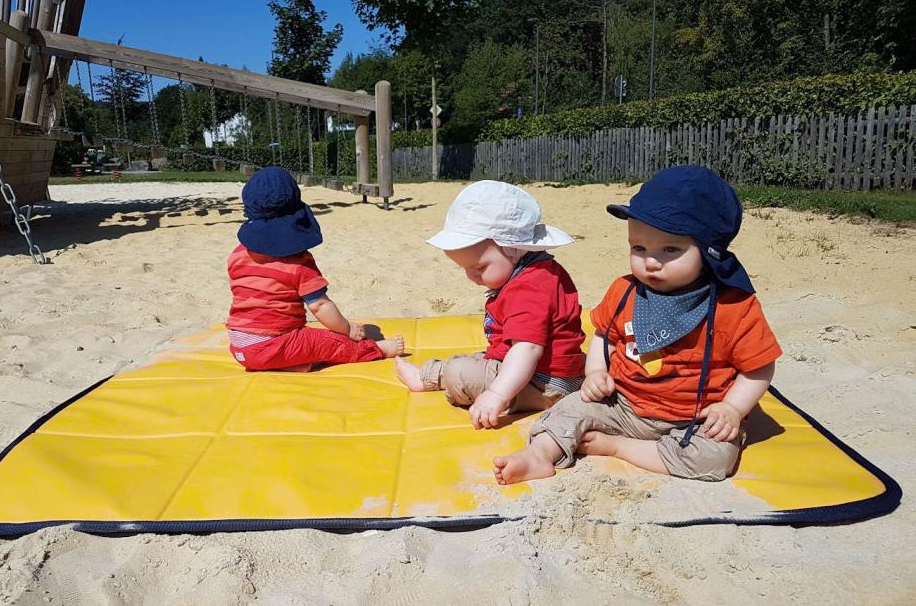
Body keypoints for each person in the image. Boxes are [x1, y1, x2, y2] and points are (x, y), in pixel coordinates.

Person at [494, 166, 782, 484]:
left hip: (695, 417)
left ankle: (617, 447)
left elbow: (759, 367)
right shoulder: (625, 290)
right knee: (569, 408)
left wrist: (731, 408)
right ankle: (538, 456)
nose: (651, 261)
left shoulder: (733, 306)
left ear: (708, 251)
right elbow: (606, 336)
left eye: (671, 249)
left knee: (715, 458)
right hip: (624, 403)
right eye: (638, 248)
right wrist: (595, 373)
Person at [396, 181, 586, 429]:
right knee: (475, 361)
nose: (472, 277)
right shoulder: (535, 272)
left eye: (479, 267)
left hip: (545, 384)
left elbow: (527, 350)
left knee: (461, 372)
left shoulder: (528, 288)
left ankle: (429, 378)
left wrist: (497, 396)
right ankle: (433, 374)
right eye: (465, 269)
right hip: (542, 374)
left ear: (513, 248)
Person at [226, 167, 404, 371]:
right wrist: (347, 329)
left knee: (297, 343)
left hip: (239, 348)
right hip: (272, 344)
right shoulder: (298, 261)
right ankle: (377, 350)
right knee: (329, 342)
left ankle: (284, 365)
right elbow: (319, 305)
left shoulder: (237, 254)